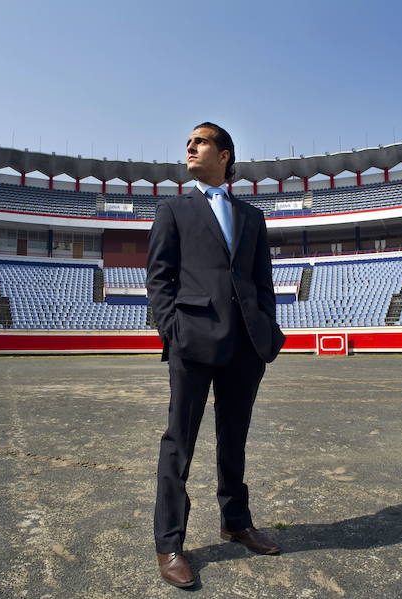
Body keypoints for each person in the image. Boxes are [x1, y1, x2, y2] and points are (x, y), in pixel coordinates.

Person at [146, 122, 286, 587]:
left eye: (201, 141)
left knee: (235, 440)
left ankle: (236, 521)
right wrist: (173, 330)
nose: (190, 146)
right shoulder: (174, 209)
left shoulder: (252, 216)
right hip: (193, 339)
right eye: (188, 141)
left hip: (245, 343)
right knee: (179, 443)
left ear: (224, 154)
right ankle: (170, 542)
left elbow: (262, 280)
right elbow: (159, 278)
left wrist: (267, 328)